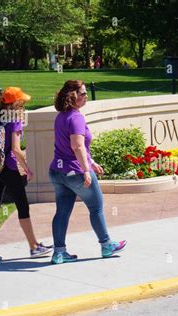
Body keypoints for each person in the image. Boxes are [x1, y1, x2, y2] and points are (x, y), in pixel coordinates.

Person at [49, 80, 127, 264]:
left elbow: (74, 147)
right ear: (73, 96)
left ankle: (59, 253)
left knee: (62, 212)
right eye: (83, 94)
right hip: (75, 172)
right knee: (96, 207)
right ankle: (107, 245)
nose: (86, 97)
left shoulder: (61, 116)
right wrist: (85, 170)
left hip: (57, 172)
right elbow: (77, 146)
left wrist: (91, 162)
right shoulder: (76, 118)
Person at [0, 87, 52, 261]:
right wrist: (26, 168)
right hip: (9, 168)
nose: (24, 105)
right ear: (16, 103)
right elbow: (16, 150)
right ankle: (34, 247)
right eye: (22, 102)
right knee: (22, 205)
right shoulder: (16, 120)